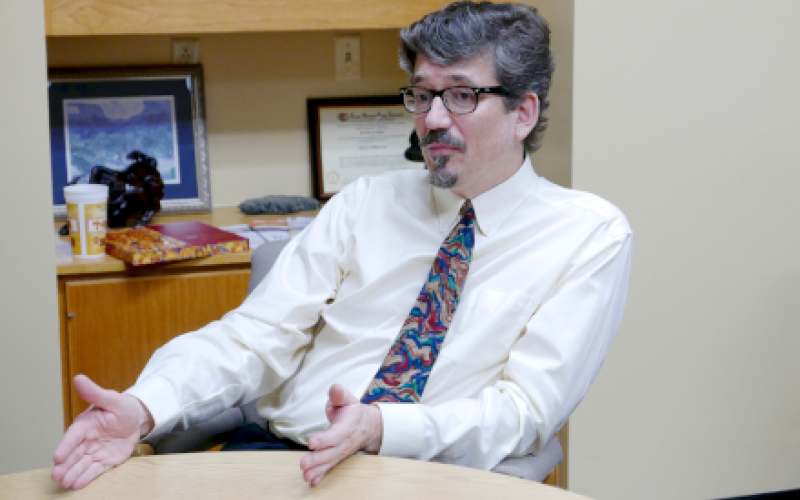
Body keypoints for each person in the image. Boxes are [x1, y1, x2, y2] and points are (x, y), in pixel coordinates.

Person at [52, 1, 632, 490]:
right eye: (422, 95)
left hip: (432, 479)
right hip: (282, 458)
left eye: (460, 96)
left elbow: (524, 411)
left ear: (522, 112)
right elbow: (254, 336)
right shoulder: (363, 203)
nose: (431, 120)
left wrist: (380, 427)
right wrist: (146, 404)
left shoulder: (588, 235)